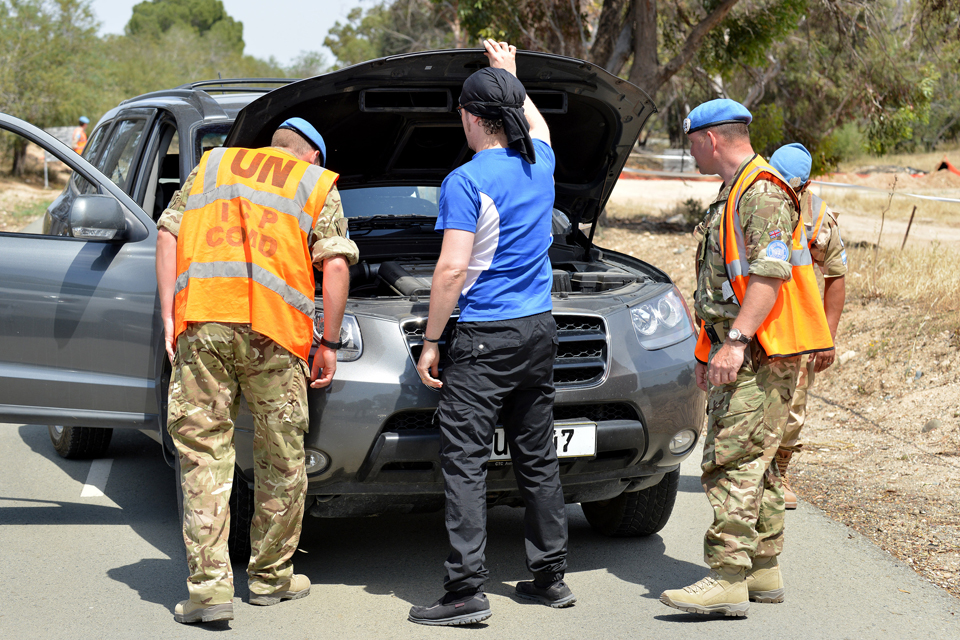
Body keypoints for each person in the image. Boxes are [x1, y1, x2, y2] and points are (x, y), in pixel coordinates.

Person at [155, 117, 358, 624]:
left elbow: (167, 233)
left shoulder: (213, 165)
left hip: (204, 322)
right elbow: (334, 266)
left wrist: (168, 315)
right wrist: (328, 343)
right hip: (275, 335)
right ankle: (270, 579)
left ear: (276, 146)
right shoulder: (315, 183)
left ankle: (208, 592)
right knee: (282, 457)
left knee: (203, 454)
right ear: (312, 156)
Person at [409, 39, 574, 626]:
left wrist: (431, 341)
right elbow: (542, 128)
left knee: (466, 463)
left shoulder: (465, 180)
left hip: (483, 339)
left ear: (470, 117)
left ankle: (464, 593)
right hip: (537, 331)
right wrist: (510, 74)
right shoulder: (541, 164)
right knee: (537, 458)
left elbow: (452, 270)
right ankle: (551, 577)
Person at [659, 100, 834, 617]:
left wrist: (734, 342)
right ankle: (761, 569)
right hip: (753, 345)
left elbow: (769, 273)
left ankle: (727, 578)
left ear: (711, 139)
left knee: (730, 461)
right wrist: (708, 347)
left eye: (691, 141)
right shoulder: (739, 190)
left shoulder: (758, 191)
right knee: (761, 461)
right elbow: (725, 281)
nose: (688, 151)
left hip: (759, 350)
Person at [769, 143, 847, 509]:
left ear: (807, 184)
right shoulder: (754, 200)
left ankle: (779, 470)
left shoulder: (818, 216)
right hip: (756, 323)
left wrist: (826, 337)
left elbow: (836, 275)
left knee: (793, 405)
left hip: (798, 329)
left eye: (794, 187)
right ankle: (748, 471)